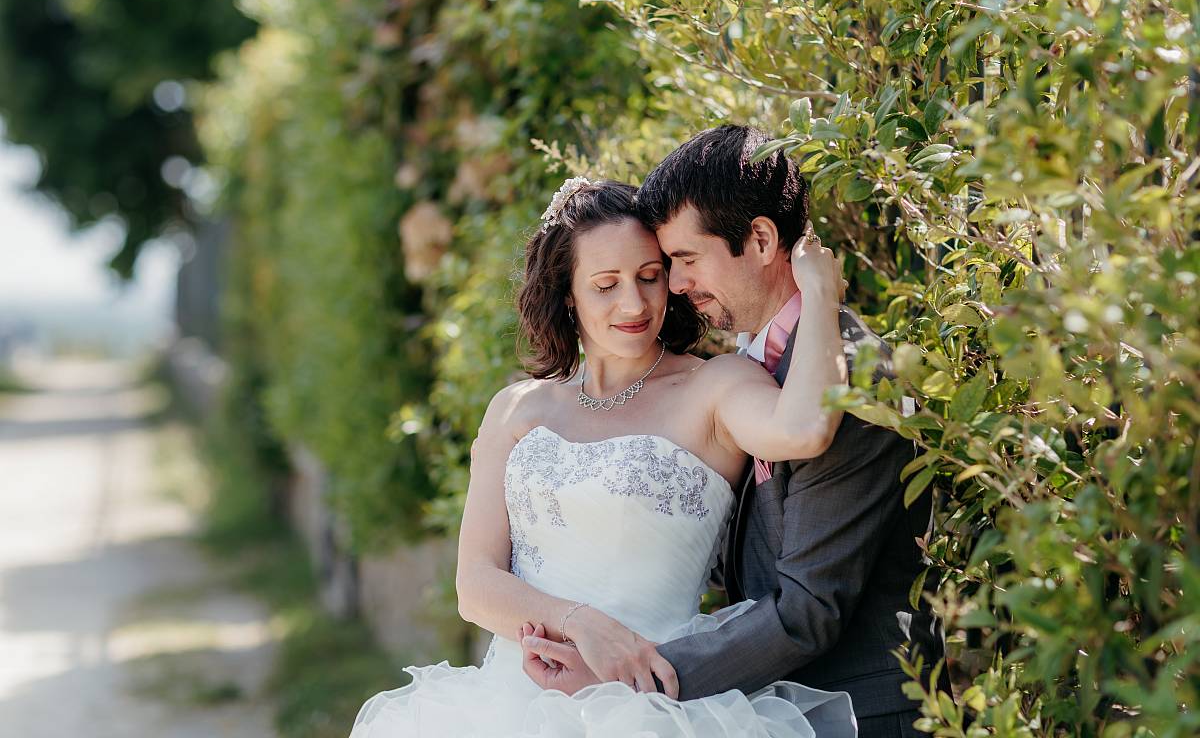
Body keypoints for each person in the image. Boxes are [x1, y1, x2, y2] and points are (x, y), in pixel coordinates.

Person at [349, 176, 856, 736]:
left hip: (651, 705)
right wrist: (578, 623)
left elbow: (807, 428)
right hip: (505, 707)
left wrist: (820, 297)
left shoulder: (716, 387)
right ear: (568, 293)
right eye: (605, 285)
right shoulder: (517, 409)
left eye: (649, 277)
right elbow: (475, 585)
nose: (633, 304)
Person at [520, 126, 946, 738]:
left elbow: (807, 612)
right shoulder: (750, 372)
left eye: (685, 260)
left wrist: (629, 680)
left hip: (863, 714)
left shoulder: (856, 377)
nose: (678, 285)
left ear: (762, 239)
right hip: (772, 708)